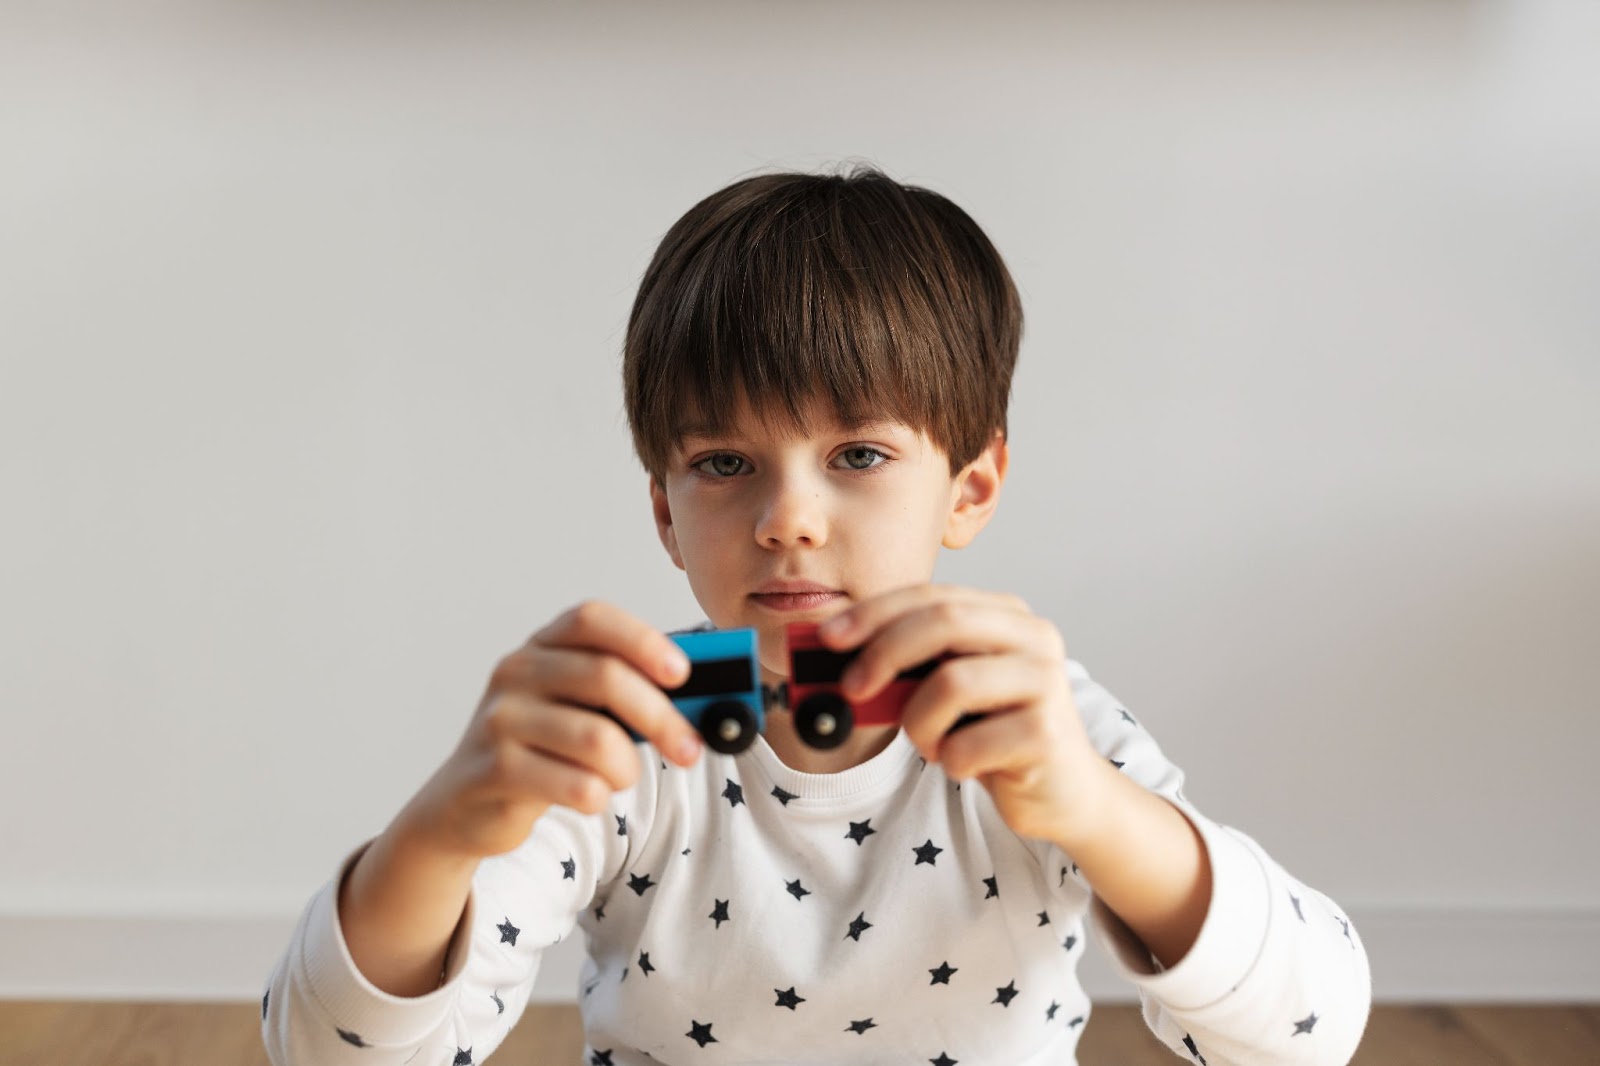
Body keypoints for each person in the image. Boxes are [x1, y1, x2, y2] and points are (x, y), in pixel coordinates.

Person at [262, 165, 1371, 1066]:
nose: (788, 517)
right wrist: (443, 827)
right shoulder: (630, 739)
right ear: (664, 510)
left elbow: (1307, 1029)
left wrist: (1094, 809)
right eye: (725, 461)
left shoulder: (1040, 726)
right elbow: (334, 1055)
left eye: (858, 454)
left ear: (971, 487)